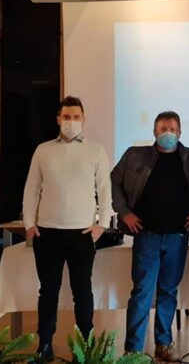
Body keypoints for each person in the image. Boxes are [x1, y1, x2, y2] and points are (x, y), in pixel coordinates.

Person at [23, 96, 112, 362]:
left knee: (82, 292)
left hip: (81, 234)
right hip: (47, 233)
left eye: (76, 117)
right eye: (66, 117)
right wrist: (29, 224)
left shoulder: (96, 150)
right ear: (58, 119)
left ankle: (85, 347)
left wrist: (102, 225)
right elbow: (31, 189)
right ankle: (44, 345)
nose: (71, 122)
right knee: (48, 292)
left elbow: (104, 189)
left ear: (83, 119)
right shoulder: (43, 150)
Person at [111, 111, 189, 360]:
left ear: (180, 132)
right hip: (146, 236)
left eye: (172, 129)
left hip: (177, 237)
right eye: (163, 129)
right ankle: (133, 349)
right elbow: (114, 182)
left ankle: (163, 344)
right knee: (141, 292)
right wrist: (124, 212)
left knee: (168, 292)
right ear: (154, 132)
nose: (167, 133)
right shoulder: (135, 155)